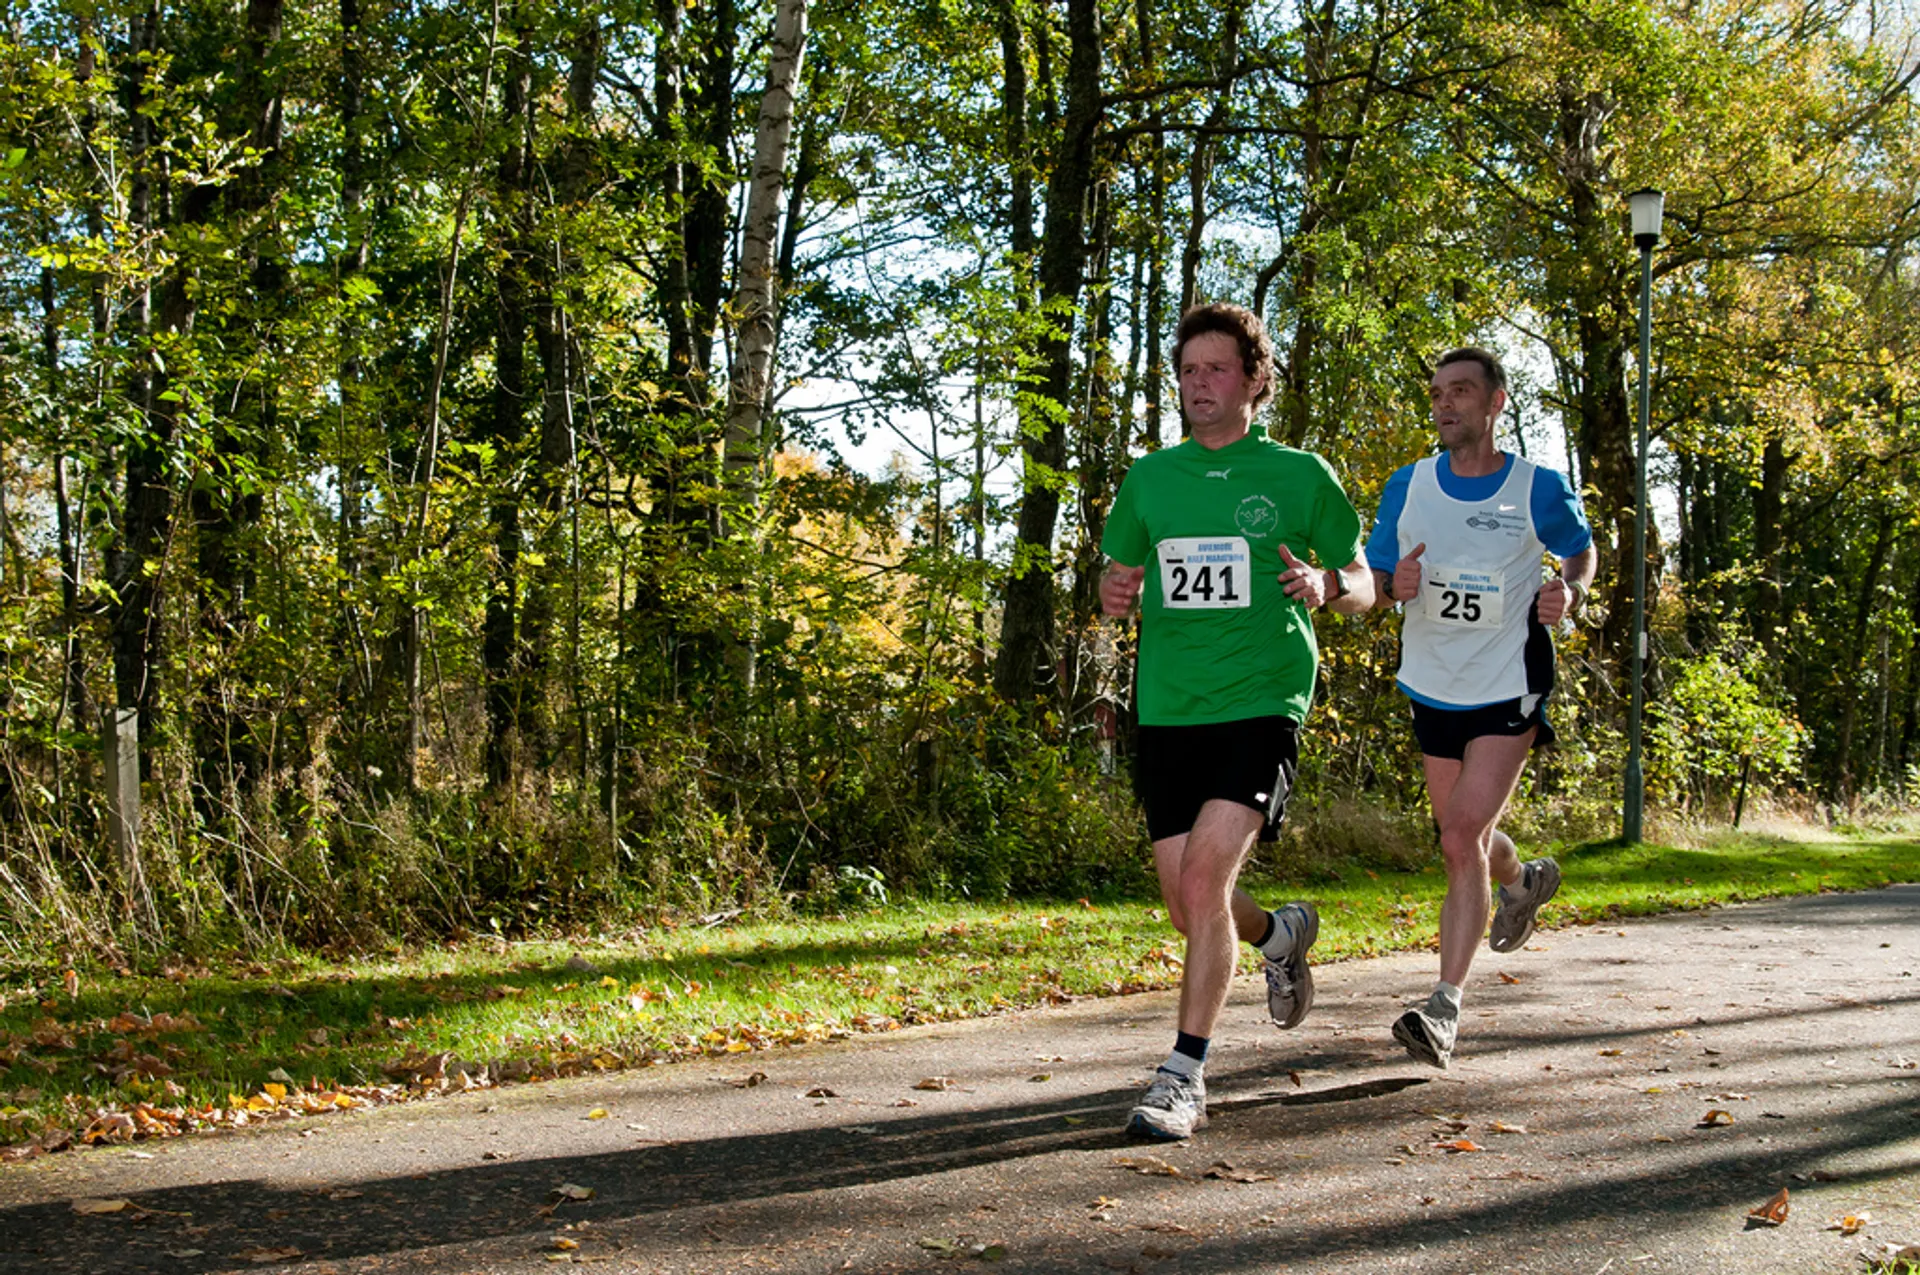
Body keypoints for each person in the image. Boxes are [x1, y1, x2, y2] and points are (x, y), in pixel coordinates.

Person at [1100, 302, 1375, 1141]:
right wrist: (1112, 592)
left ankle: (1182, 1074)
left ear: (1255, 379)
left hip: (1261, 700)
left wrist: (1330, 585)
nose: (1199, 386)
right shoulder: (1150, 479)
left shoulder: (1299, 475)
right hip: (1169, 707)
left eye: (1217, 370)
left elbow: (1365, 581)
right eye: (1188, 372)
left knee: (1204, 879)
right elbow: (1117, 576)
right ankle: (1279, 932)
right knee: (1191, 905)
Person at [1364, 346, 1597, 1069]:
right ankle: (1523, 881)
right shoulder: (1408, 486)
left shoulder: (1535, 487)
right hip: (1433, 684)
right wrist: (1391, 582)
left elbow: (1579, 550)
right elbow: (1373, 575)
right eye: (1437, 392)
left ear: (1495, 403)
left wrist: (1572, 592)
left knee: (1460, 834)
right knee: (1462, 836)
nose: (1445, 404)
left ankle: (1443, 1009)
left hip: (1507, 683)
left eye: (1461, 391)